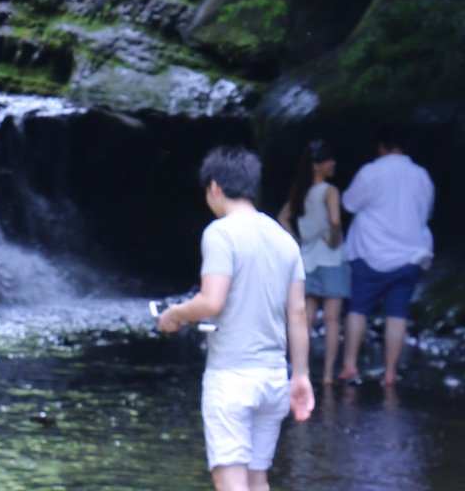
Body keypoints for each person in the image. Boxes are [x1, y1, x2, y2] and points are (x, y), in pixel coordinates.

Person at [156, 146, 315, 491]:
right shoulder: (285, 240)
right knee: (257, 479)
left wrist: (175, 314)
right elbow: (298, 313)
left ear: (214, 186)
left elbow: (212, 301)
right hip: (274, 378)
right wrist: (300, 375)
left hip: (232, 377)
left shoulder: (221, 232)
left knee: (229, 480)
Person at [338, 127, 434, 387]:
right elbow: (426, 212)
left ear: (381, 146)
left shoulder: (371, 172)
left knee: (358, 309)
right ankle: (390, 373)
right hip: (408, 255)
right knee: (397, 314)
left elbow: (349, 204)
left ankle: (349, 364)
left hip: (370, 251)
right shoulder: (421, 176)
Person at [277, 140, 346, 385]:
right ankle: (328, 375)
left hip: (306, 260)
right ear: (316, 166)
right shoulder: (330, 191)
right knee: (331, 320)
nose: (333, 164)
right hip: (331, 259)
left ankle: (300, 370)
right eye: (328, 160)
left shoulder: (301, 191)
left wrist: (297, 239)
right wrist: (334, 239)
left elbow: (282, 218)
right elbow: (336, 221)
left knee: (305, 317)